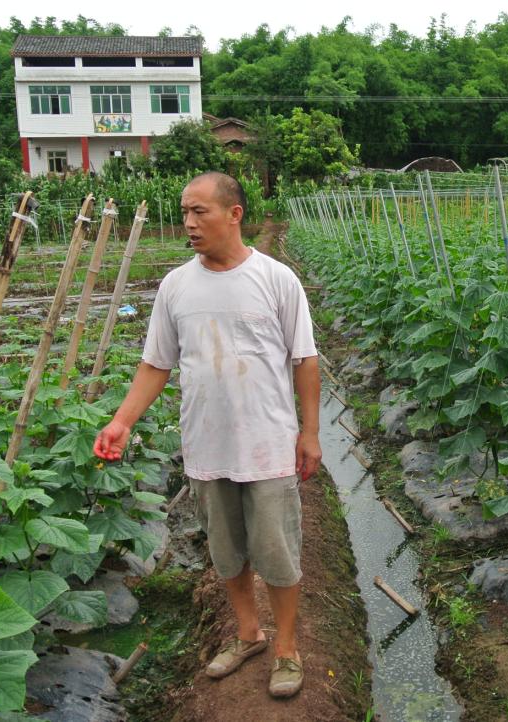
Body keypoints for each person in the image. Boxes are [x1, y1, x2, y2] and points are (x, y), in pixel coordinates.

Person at [93, 171, 321, 698]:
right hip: (205, 444)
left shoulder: (276, 279)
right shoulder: (176, 286)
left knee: (279, 555)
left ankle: (287, 649)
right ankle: (248, 634)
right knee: (226, 553)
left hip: (266, 444)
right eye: (186, 211)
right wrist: (121, 421)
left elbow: (304, 359)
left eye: (200, 211)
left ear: (234, 213)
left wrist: (310, 433)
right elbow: (156, 365)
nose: (189, 223)